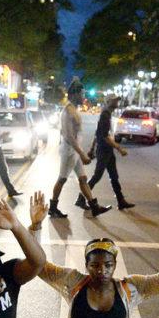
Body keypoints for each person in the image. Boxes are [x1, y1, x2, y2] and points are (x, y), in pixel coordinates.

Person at [48, 86, 110, 219]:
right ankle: (52, 208)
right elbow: (69, 136)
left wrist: (80, 153)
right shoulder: (67, 111)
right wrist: (82, 154)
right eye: (81, 94)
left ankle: (94, 207)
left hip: (74, 152)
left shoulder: (73, 110)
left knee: (83, 178)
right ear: (73, 95)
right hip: (69, 152)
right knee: (62, 178)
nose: (83, 96)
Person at [78, 95, 133, 211]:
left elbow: (97, 132)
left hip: (107, 150)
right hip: (104, 150)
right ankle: (81, 198)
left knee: (114, 176)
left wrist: (92, 148)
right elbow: (104, 135)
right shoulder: (105, 114)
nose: (117, 102)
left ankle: (120, 200)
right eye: (114, 100)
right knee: (97, 176)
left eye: (117, 100)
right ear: (108, 101)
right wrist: (119, 148)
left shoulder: (107, 113)